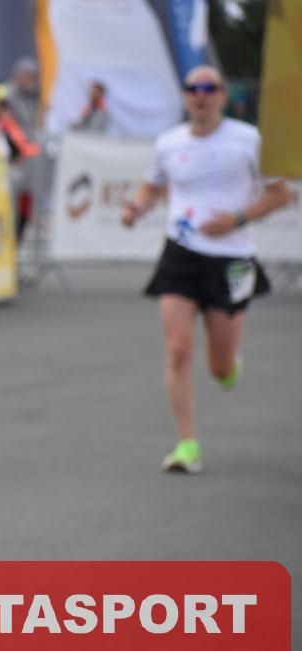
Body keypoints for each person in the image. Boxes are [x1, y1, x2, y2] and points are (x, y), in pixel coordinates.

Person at [120, 66, 290, 474]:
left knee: (220, 365)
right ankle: (187, 445)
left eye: (209, 88)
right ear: (184, 95)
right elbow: (152, 185)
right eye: (192, 88)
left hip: (232, 258)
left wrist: (236, 219)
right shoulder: (168, 142)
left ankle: (228, 366)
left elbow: (280, 194)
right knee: (178, 349)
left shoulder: (248, 140)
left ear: (222, 96)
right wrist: (137, 207)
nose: (200, 94)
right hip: (180, 251)